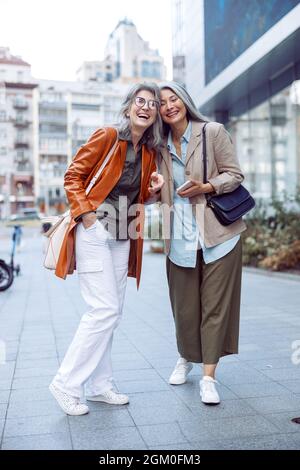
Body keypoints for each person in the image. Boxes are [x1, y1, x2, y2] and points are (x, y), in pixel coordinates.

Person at [49, 83, 164, 416]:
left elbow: (140, 198)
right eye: (140, 101)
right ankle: (65, 383)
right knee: (102, 310)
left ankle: (100, 386)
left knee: (112, 314)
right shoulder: (108, 135)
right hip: (95, 232)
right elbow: (73, 175)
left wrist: (154, 193)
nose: (146, 107)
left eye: (152, 104)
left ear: (155, 113)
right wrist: (86, 217)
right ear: (128, 107)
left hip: (124, 234)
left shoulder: (149, 151)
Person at [157, 81, 246, 405]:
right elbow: (156, 191)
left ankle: (208, 377)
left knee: (215, 308)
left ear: (185, 100)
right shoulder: (158, 146)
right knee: (185, 308)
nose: (169, 105)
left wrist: (206, 186)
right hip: (179, 237)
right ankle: (186, 356)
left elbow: (235, 174)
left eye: (173, 98)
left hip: (219, 235)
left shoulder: (212, 131)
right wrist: (155, 189)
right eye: (162, 102)